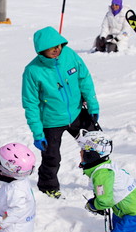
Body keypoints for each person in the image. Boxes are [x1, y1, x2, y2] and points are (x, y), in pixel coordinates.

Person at [21, 26, 100, 198]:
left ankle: (100, 180)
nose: (57, 49)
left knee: (95, 146)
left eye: (59, 45)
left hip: (77, 112)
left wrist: (93, 106)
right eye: (52, 47)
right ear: (42, 50)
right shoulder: (32, 71)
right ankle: (47, 186)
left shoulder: (69, 55)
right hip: (51, 121)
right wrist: (37, 132)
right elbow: (30, 104)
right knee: (52, 157)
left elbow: (84, 79)